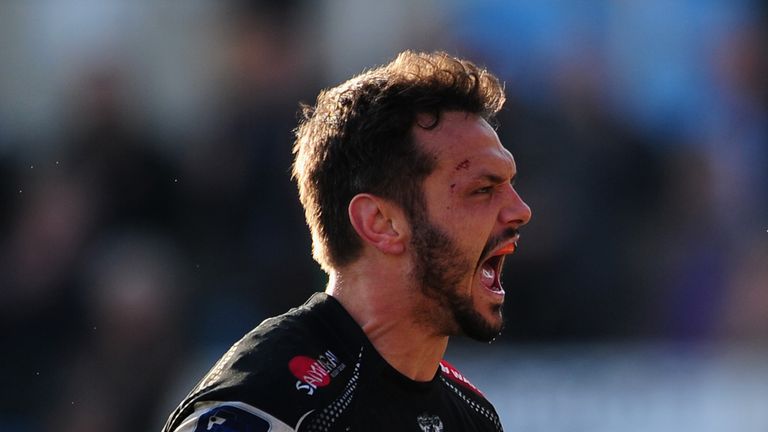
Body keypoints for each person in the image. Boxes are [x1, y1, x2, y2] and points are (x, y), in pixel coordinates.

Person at [162, 50, 532, 432]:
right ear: (380, 223)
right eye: (483, 189)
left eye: (509, 186)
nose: (520, 210)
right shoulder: (269, 406)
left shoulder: (473, 418)